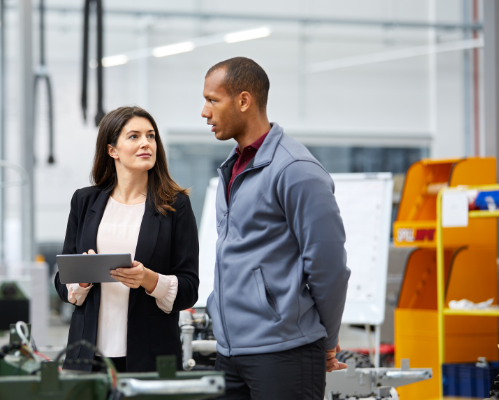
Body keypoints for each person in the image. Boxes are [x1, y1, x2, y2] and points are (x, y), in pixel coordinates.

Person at [201, 57, 350, 399]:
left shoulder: (295, 170)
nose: (204, 112)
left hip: (284, 351)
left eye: (212, 100)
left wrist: (327, 338)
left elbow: (328, 266)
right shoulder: (234, 167)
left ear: (243, 101)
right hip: (231, 351)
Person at [54, 106, 199, 372]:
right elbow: (62, 283)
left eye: (151, 136)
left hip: (152, 357)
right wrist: (83, 279)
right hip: (88, 358)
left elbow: (189, 289)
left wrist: (149, 280)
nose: (146, 143)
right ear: (112, 150)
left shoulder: (176, 206)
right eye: (134, 136)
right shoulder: (84, 201)